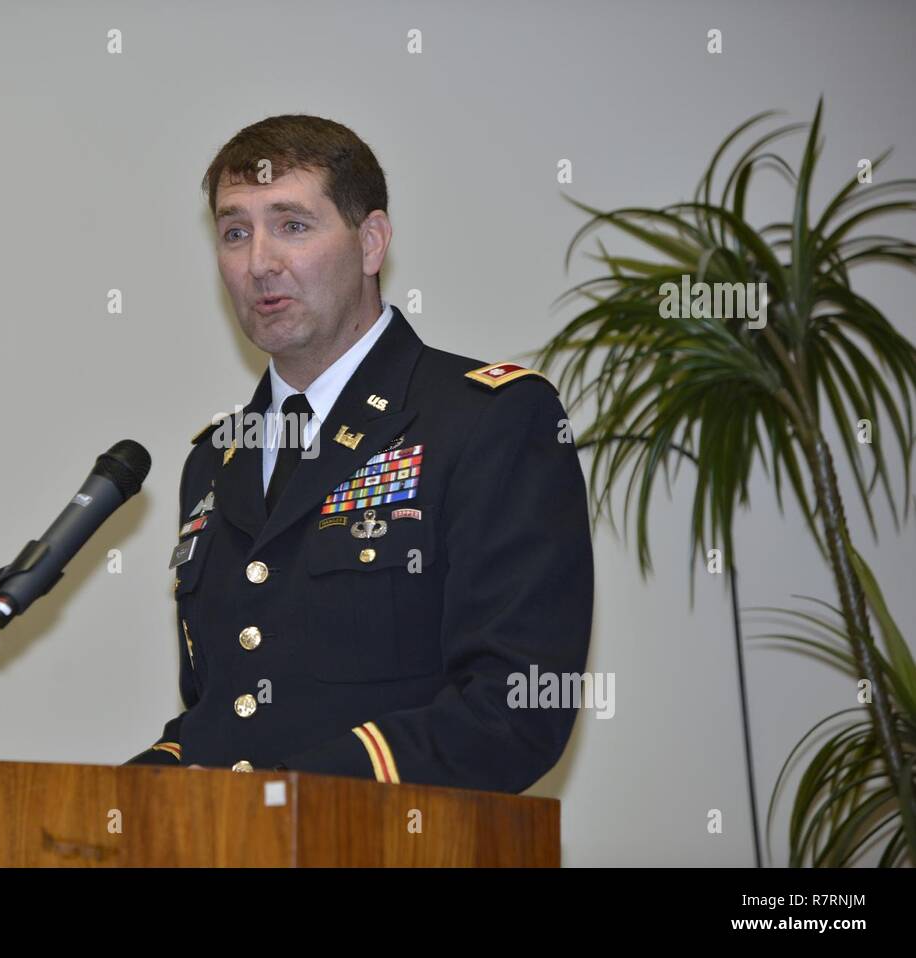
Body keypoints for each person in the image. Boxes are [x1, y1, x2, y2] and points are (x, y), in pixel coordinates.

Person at [124, 115, 594, 792]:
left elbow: (514, 707)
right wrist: (119, 798)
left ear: (371, 242)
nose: (259, 262)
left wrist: (287, 794)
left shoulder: (487, 419)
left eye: (292, 225)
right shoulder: (215, 459)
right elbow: (220, 714)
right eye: (235, 232)